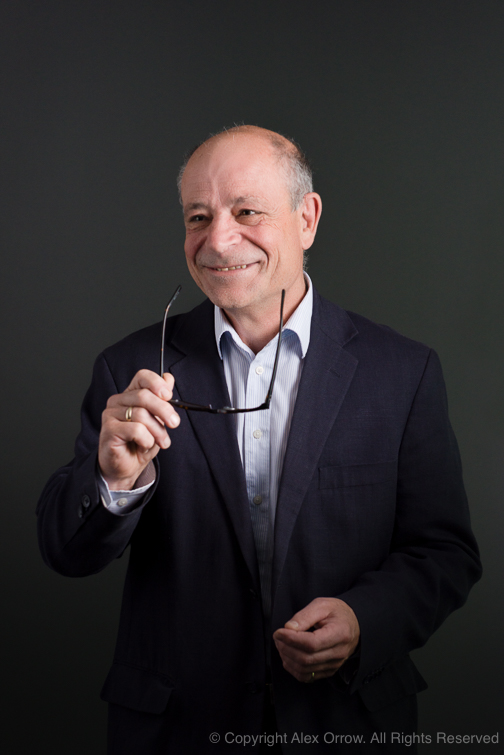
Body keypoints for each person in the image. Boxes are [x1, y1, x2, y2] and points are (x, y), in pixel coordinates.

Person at [37, 125, 481, 754]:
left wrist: (362, 620)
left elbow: (445, 552)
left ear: (308, 219)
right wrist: (114, 481)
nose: (218, 240)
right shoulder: (129, 368)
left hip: (346, 720)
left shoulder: (403, 373)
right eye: (198, 216)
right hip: (176, 730)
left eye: (247, 211)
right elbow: (66, 552)